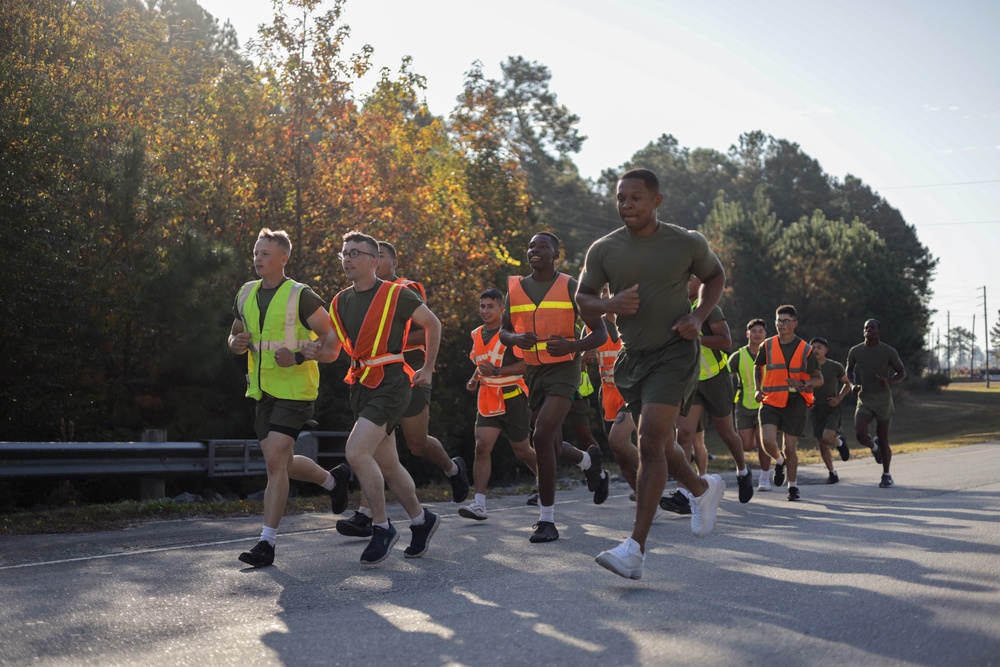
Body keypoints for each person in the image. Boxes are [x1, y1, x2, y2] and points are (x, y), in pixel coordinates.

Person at [578, 168, 727, 581]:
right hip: (634, 359)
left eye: (635, 198)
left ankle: (635, 549)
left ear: (657, 201)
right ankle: (701, 489)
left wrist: (699, 315)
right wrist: (610, 306)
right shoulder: (604, 249)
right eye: (621, 198)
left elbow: (715, 276)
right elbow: (583, 299)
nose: (626, 205)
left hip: (676, 354)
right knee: (659, 444)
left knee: (648, 442)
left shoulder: (686, 242)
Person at [304, 231, 440, 565]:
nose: (347, 259)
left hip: (392, 382)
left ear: (373, 261)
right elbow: (333, 352)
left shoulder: (397, 294)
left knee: (356, 451)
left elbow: (433, 323)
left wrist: (429, 368)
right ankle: (422, 521)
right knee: (389, 465)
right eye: (344, 253)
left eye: (354, 253)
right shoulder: (339, 301)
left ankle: (381, 527)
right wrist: (311, 352)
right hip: (361, 383)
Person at [228, 228, 352, 568]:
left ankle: (266, 543)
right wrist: (234, 343)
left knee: (273, 463)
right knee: (281, 462)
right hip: (262, 390)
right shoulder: (245, 293)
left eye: (265, 253)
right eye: (256, 252)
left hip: (295, 391)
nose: (258, 257)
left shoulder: (302, 296)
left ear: (283, 258)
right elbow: (235, 333)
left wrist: (301, 356)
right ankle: (333, 479)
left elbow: (333, 339)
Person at [336, 241, 469, 537]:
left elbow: (425, 329)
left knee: (416, 444)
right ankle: (369, 514)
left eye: (381, 257)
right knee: (374, 451)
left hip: (409, 374)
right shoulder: (352, 297)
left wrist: (388, 341)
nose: (376, 261)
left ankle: (453, 470)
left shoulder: (403, 290)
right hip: (373, 379)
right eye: (346, 254)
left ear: (390, 263)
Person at [500, 231, 609, 543]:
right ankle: (590, 462)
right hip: (534, 372)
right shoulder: (516, 288)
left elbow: (599, 333)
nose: (535, 250)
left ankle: (546, 520)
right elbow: (505, 332)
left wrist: (573, 346)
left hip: (564, 369)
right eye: (531, 246)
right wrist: (516, 339)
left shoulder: (570, 285)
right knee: (552, 444)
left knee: (542, 435)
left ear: (556, 254)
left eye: (543, 246)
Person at [661, 275, 753, 515]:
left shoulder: (707, 309)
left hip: (716, 379)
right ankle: (683, 494)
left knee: (726, 433)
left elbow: (726, 342)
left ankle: (743, 471)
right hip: (690, 382)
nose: (682, 283)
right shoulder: (673, 310)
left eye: (688, 279)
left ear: (698, 283)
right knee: (684, 435)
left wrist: (697, 337)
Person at [459, 288, 537, 520]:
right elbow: (482, 362)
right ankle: (479, 503)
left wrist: (497, 371)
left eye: (490, 306)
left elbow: (526, 365)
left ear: (502, 309)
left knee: (522, 450)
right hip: (487, 397)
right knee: (481, 446)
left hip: (513, 396)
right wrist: (474, 380)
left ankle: (545, 483)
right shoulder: (476, 334)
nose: (485, 310)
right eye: (482, 306)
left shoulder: (511, 333)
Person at [753, 305, 823, 502]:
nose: (781, 324)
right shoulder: (766, 345)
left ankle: (792, 486)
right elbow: (758, 368)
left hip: (796, 403)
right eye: (778, 321)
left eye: (785, 321)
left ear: (795, 323)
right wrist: (758, 389)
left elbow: (819, 379)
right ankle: (779, 460)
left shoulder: (805, 349)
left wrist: (803, 383)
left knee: (790, 447)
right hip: (771, 400)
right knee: (767, 441)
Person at [846, 319, 906, 488]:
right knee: (859, 433)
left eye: (872, 328)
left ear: (879, 332)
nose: (868, 331)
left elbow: (902, 372)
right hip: (864, 398)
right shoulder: (856, 351)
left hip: (883, 400)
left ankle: (886, 475)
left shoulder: (888, 351)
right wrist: (852, 385)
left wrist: (888, 380)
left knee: (884, 438)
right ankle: (874, 447)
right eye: (866, 328)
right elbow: (849, 370)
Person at [729, 319, 772, 490]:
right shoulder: (738, 356)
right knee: (745, 445)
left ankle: (764, 477)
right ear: (747, 334)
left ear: (765, 335)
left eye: (761, 331)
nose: (757, 334)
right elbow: (725, 377)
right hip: (744, 405)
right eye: (753, 331)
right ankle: (769, 447)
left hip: (767, 405)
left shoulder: (772, 354)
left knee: (764, 443)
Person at [809, 337, 853, 483]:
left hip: (832, 407)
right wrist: (808, 401)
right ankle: (832, 473)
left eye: (819, 347)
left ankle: (840, 443)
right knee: (822, 443)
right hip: (815, 409)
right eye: (813, 347)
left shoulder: (835, 366)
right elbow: (802, 387)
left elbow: (848, 384)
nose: (816, 350)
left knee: (828, 438)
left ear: (826, 350)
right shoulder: (806, 367)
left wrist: (838, 398)